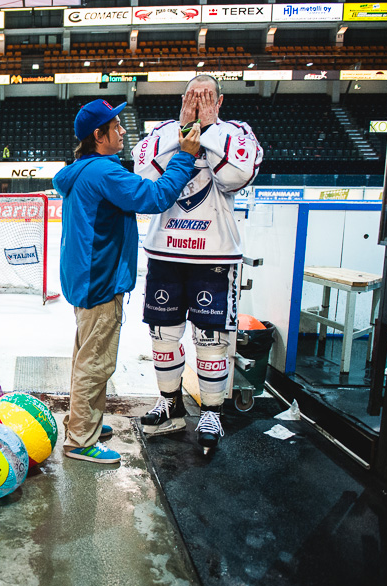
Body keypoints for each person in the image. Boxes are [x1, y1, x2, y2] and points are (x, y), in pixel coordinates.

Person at [54, 99, 201, 465]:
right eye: (115, 126)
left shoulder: (84, 170)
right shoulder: (104, 172)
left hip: (86, 278)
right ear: (97, 135)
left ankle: (83, 420)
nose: (122, 131)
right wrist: (184, 155)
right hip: (100, 280)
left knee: (86, 355)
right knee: (96, 362)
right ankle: (80, 441)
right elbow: (154, 197)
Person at [132, 74, 263, 453]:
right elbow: (144, 175)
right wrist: (184, 128)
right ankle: (170, 403)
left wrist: (206, 129)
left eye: (206, 97)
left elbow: (238, 176)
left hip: (215, 256)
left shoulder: (237, 132)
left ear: (219, 102)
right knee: (162, 335)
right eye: (192, 95)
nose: (199, 100)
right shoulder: (164, 131)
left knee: (211, 339)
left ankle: (212, 412)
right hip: (165, 251)